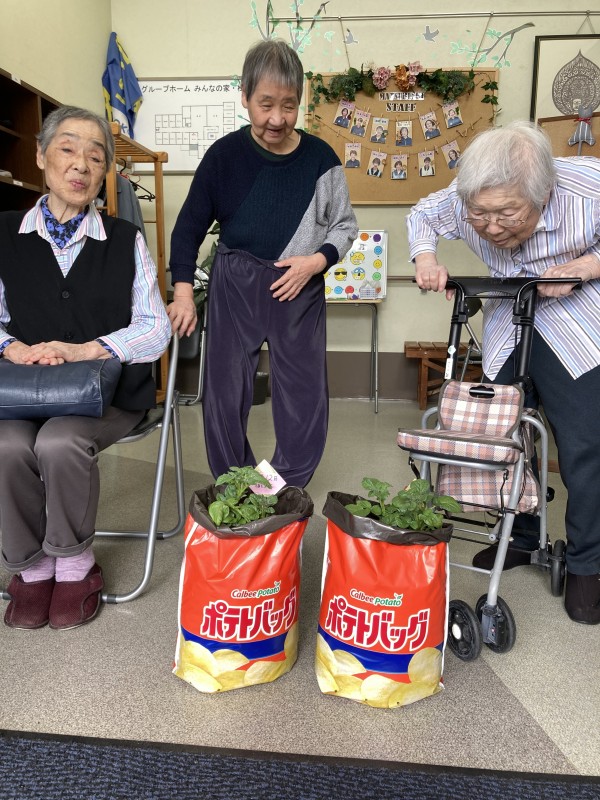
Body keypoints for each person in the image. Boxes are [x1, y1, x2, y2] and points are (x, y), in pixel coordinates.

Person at [406, 120, 600, 625]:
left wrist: (585, 266)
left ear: (544, 193)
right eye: (479, 215)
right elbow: (422, 214)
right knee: (505, 435)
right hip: (509, 316)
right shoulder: (470, 194)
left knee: (584, 445)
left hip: (578, 323)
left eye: (507, 214)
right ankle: (521, 535)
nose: (491, 227)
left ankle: (587, 564)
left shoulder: (587, 187)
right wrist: (426, 258)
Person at [0, 106, 171, 630]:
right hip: (23, 391)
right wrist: (13, 349)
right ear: (40, 156)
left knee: (60, 441)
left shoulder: (124, 239)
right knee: (7, 445)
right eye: (67, 149)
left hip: (108, 396)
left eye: (96, 157)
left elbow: (156, 328)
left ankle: (75, 564)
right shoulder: (4, 232)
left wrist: (88, 350)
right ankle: (31, 567)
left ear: (105, 173)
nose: (81, 165)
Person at [168, 40, 357, 489]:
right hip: (237, 281)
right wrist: (182, 292)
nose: (277, 118)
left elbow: (345, 226)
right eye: (266, 104)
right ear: (245, 96)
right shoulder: (223, 156)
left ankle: (285, 487)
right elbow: (187, 228)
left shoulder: (321, 160)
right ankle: (237, 484)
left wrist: (316, 262)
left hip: (299, 284)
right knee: (225, 391)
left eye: (288, 106)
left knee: (304, 394)